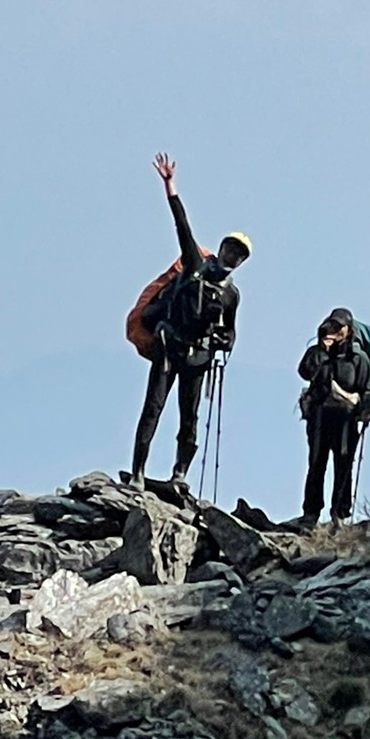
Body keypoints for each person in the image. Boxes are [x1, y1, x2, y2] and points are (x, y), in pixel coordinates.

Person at [130, 153, 251, 488]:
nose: (233, 256)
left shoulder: (231, 295)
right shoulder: (195, 263)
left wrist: (224, 341)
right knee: (153, 408)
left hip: (198, 357)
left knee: (190, 416)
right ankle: (138, 472)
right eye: (231, 249)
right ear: (223, 248)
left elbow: (231, 333)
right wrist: (171, 187)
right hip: (170, 348)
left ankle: (179, 474)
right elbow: (181, 224)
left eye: (239, 255)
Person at [297, 308, 370, 527]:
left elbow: (368, 388)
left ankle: (339, 514)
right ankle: (310, 513)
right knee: (316, 463)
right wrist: (322, 350)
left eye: (339, 327)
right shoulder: (318, 353)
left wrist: (366, 408)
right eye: (332, 326)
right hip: (320, 416)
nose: (335, 331)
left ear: (349, 329)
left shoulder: (358, 359)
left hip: (346, 419)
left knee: (343, 464)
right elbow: (304, 371)